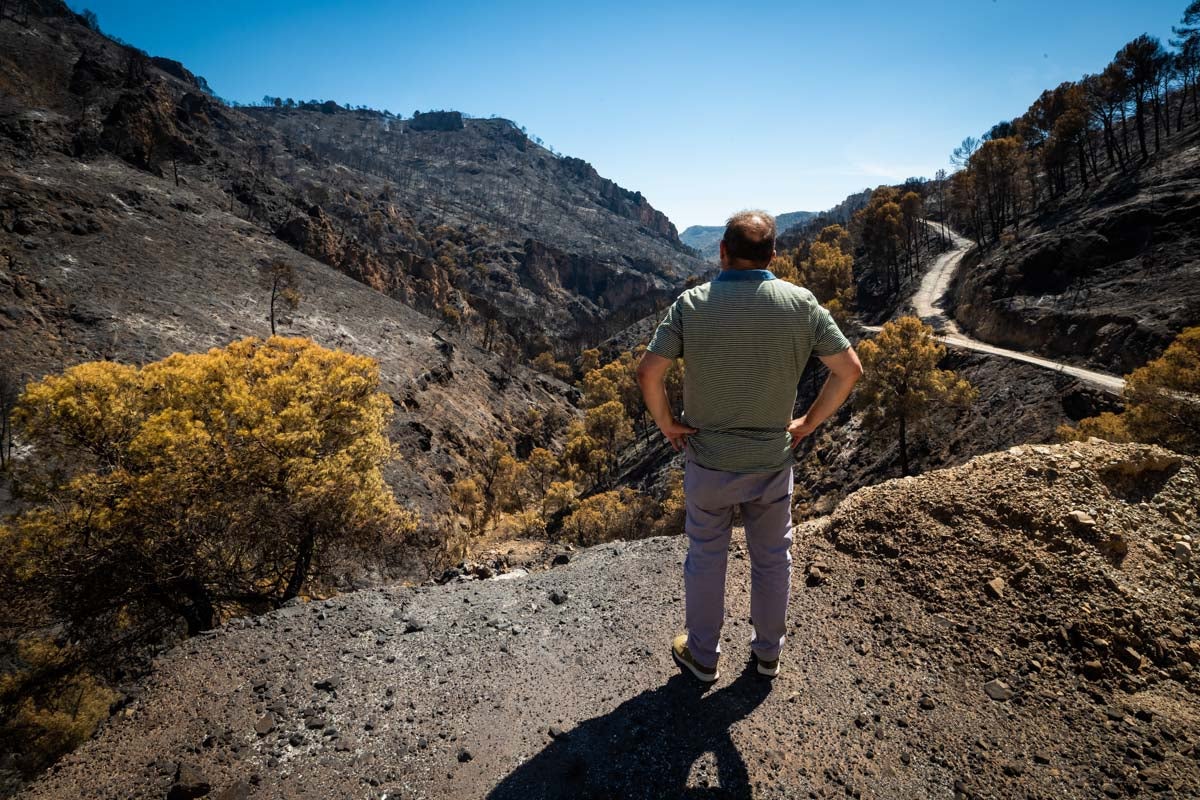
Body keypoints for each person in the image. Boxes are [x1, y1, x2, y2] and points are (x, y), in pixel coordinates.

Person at [636, 210, 862, 682]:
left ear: (722, 251)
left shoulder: (692, 304)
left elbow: (649, 372)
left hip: (708, 462)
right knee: (773, 558)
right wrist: (808, 423)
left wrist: (668, 424)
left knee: (706, 557)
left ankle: (702, 656)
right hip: (771, 462)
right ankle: (767, 654)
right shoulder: (801, 304)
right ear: (773, 255)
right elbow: (849, 371)